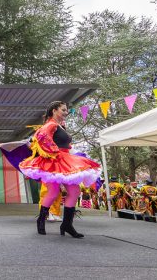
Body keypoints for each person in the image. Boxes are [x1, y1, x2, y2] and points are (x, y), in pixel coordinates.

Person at [18, 101, 100, 238]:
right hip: (54, 161)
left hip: (65, 160)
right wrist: (54, 152)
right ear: (54, 110)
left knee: (74, 191)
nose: (66, 112)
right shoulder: (51, 124)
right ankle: (41, 220)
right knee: (53, 191)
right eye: (63, 110)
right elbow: (41, 136)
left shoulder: (59, 126)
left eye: (66, 110)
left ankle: (67, 224)